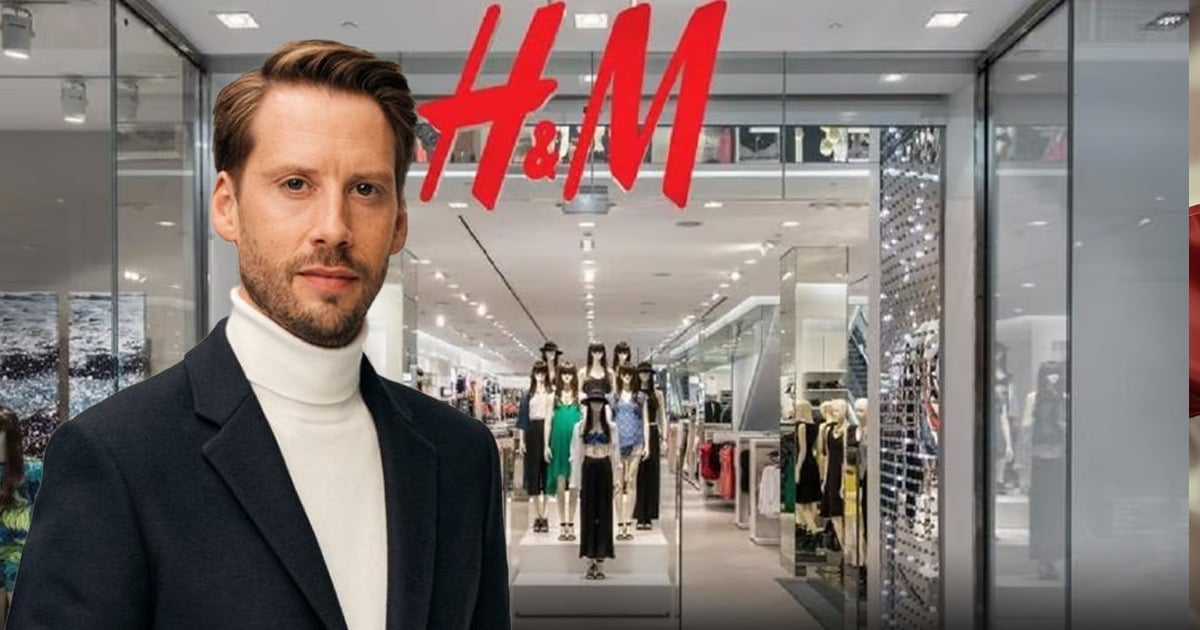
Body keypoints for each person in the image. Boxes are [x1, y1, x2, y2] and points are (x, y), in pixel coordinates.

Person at [8, 40, 509, 630]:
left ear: (397, 223)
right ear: (228, 206)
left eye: (365, 189)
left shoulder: (461, 456)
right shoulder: (117, 456)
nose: (333, 228)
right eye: (296, 184)